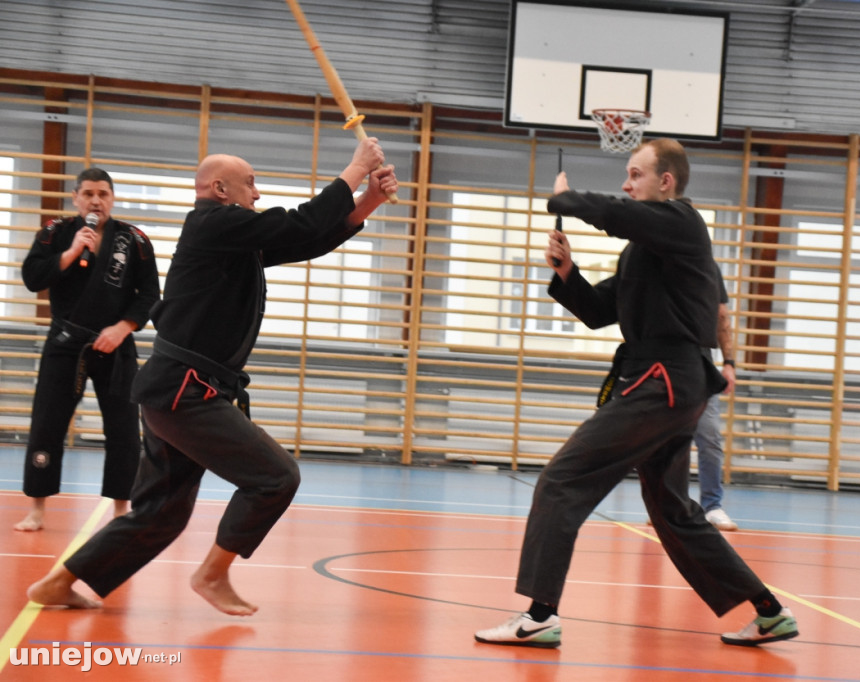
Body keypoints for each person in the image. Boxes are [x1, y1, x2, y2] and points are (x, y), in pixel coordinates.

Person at [27, 138, 398, 616]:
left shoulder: (227, 238)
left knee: (161, 513)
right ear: (221, 189)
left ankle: (58, 583)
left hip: (176, 390)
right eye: (251, 185)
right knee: (275, 477)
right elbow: (300, 221)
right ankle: (212, 573)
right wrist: (354, 169)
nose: (258, 194)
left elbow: (305, 240)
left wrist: (367, 199)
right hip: (186, 392)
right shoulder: (213, 223)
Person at [474, 139, 797, 648]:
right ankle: (769, 610)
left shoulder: (682, 222)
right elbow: (602, 310)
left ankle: (539, 616)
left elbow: (616, 213)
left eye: (635, 174)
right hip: (670, 384)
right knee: (671, 510)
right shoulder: (647, 250)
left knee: (562, 481)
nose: (627, 183)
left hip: (663, 381)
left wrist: (566, 199)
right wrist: (566, 274)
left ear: (665, 181)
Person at [15, 168, 159, 532]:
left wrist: (123, 328)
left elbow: (150, 296)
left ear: (112, 198)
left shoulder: (135, 240)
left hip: (115, 343)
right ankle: (37, 510)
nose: (97, 200)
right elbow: (33, 278)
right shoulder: (55, 234)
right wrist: (72, 251)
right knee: (47, 425)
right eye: (89, 193)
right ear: (76, 197)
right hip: (66, 342)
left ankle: (121, 509)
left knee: (124, 429)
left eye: (104, 194)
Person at [697, 270, 738, 532]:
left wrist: (729, 363)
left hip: (700, 368)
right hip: (661, 365)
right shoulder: (654, 257)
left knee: (709, 437)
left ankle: (712, 506)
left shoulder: (706, 266)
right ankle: (667, 505)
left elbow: (721, 315)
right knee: (665, 442)